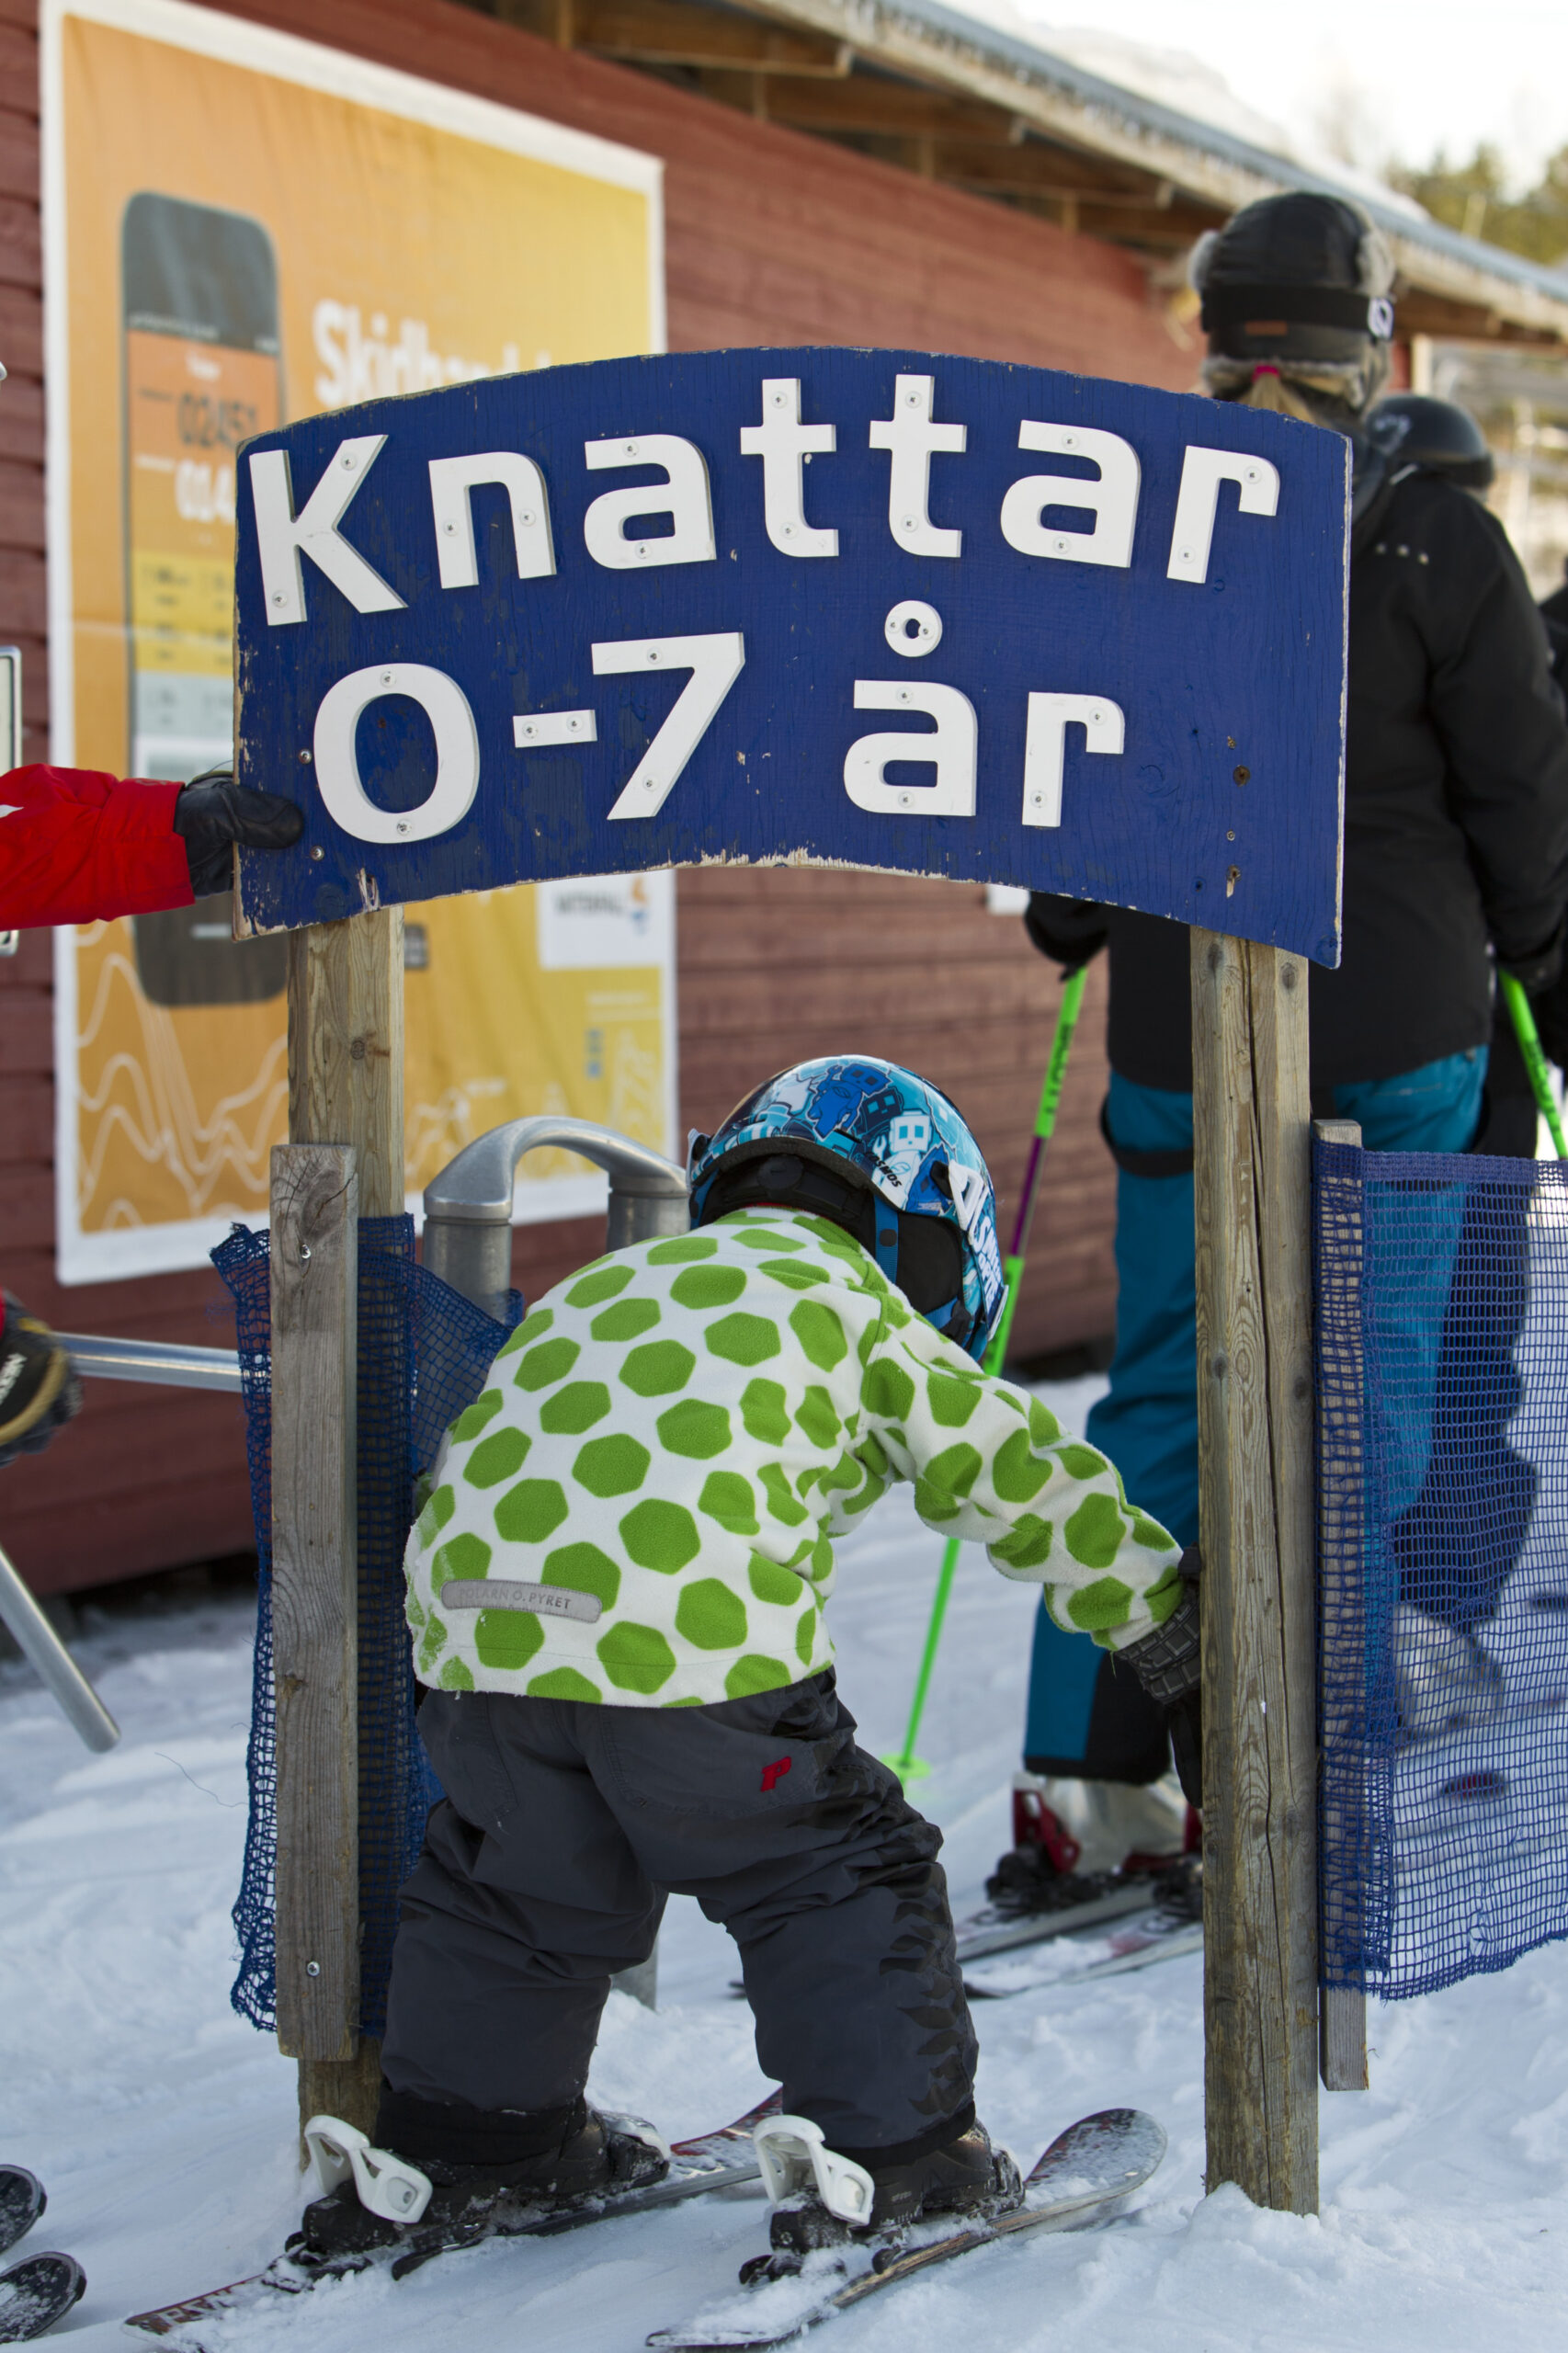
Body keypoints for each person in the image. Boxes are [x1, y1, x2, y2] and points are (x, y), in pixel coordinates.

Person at [294, 1056, 1201, 2268]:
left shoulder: (603, 1286)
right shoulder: (850, 1303)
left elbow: (490, 1441)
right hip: (687, 1641)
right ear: (927, 1242)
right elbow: (1016, 1474)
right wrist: (1154, 1619)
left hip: (477, 1637)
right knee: (830, 1868)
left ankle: (478, 2147)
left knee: (516, 1896)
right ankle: (900, 2158)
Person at [996, 191, 1568, 1912]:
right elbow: (1518, 801)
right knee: (1365, 1385)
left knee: (1161, 1390)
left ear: (1210, 330)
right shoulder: (1435, 538)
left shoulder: (1127, 523)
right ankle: (1307, 1764)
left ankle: (1092, 1781)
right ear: (1370, 340)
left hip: (1179, 1022)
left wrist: (1081, 915)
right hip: (1395, 1022)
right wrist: (1535, 958)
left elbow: (1065, 815)